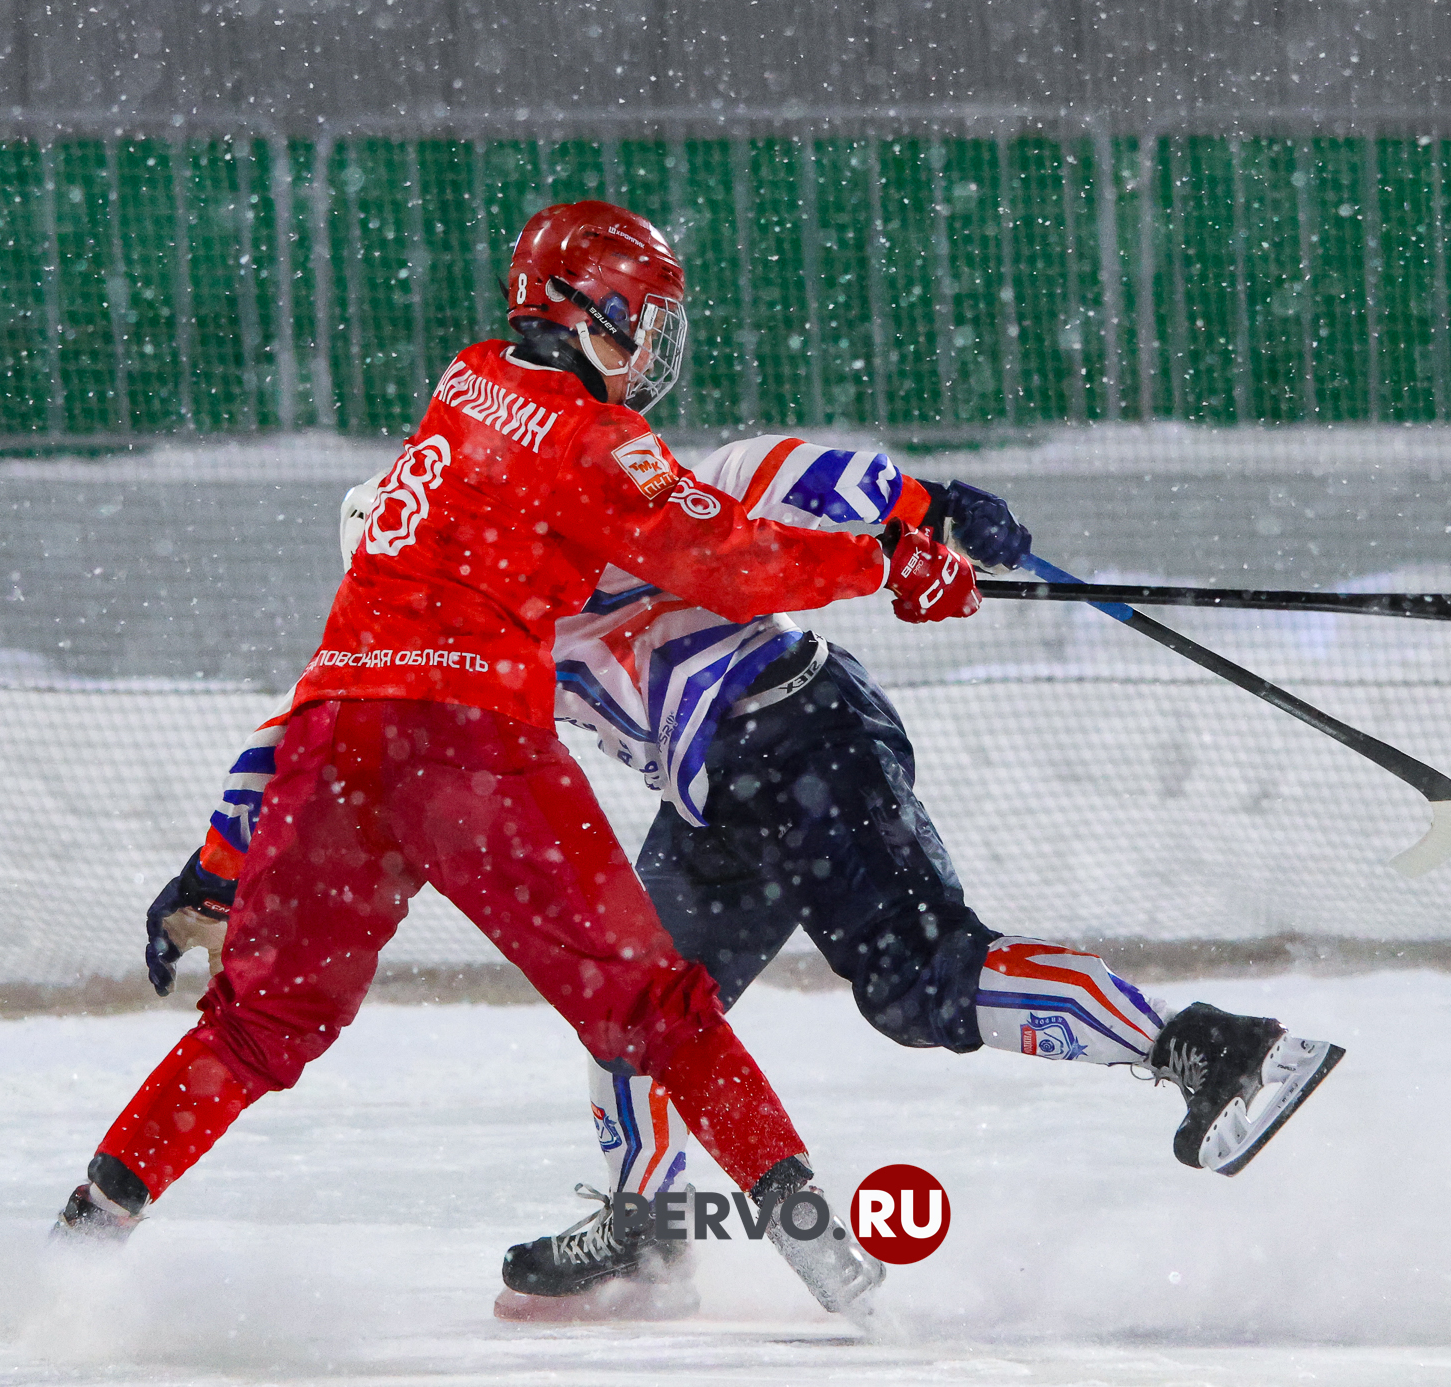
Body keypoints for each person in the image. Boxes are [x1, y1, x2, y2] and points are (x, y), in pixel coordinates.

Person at [152, 427, 1346, 1321]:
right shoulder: (462, 637)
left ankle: (1215, 1049)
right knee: (632, 1002)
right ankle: (648, 1225)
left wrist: (918, 515)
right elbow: (320, 734)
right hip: (716, 794)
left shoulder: (578, 513)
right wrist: (218, 863)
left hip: (802, 731)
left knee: (928, 986)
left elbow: (771, 472)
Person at [51, 201, 984, 1326]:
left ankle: (75, 1243)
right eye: (638, 322)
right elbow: (724, 557)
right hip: (470, 749)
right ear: (591, 311)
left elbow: (308, 699)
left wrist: (216, 862)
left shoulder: (463, 381)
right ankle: (822, 1252)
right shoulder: (593, 438)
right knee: (658, 1010)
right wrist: (885, 557)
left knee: (254, 1024)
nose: (646, 352)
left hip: (335, 739)